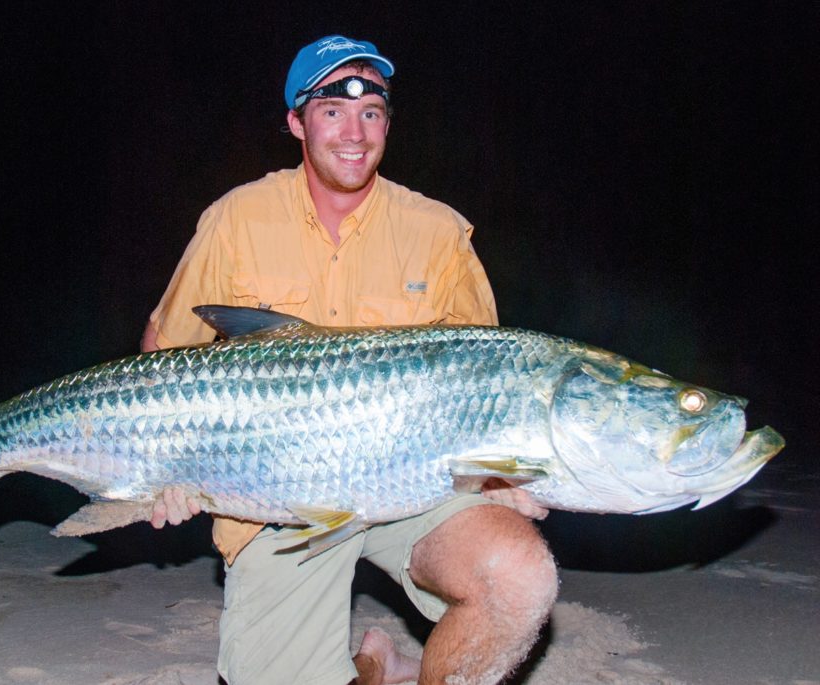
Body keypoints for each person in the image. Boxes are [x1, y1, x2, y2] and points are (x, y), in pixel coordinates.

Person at [140, 35, 557, 685]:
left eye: (372, 111)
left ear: (388, 122)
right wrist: (161, 459)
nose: (354, 131)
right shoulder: (236, 220)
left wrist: (505, 471)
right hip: (275, 499)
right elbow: (161, 354)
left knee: (519, 576)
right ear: (295, 122)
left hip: (416, 482)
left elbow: (487, 384)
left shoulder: (439, 233)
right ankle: (374, 664)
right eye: (332, 109)